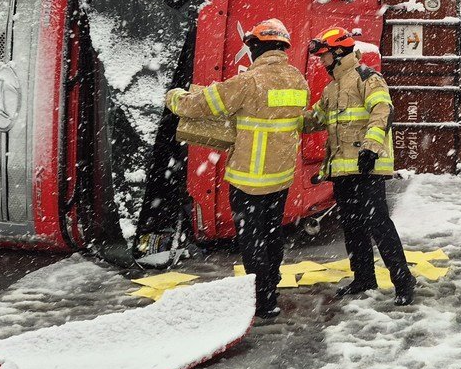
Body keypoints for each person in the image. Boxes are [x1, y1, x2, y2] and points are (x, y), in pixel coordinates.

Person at [164, 18, 309, 318]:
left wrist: (175, 98)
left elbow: (202, 104)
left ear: (257, 47)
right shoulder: (298, 80)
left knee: (252, 239)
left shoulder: (248, 81)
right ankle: (271, 286)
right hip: (281, 177)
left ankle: (262, 300)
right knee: (272, 234)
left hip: (249, 178)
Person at [303, 26, 416, 306]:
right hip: (343, 171)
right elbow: (314, 119)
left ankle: (403, 280)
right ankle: (363, 278)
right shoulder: (332, 88)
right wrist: (279, 117)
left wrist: (370, 148)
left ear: (339, 53)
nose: (321, 60)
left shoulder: (367, 78)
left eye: (324, 55)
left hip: (366, 168)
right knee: (352, 226)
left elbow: (383, 110)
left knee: (378, 224)